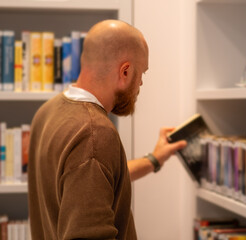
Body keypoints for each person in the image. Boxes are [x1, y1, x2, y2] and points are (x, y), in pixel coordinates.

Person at [28, 19, 187, 239]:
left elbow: (90, 180)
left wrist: (154, 159)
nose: (140, 84)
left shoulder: (48, 112)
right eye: (142, 73)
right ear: (125, 71)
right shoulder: (94, 134)